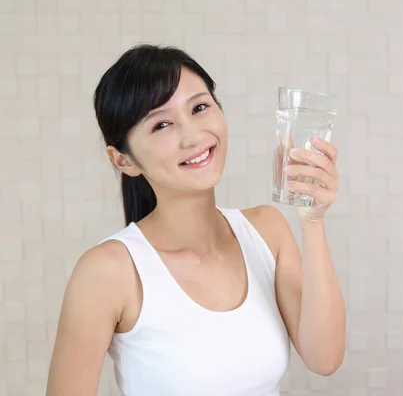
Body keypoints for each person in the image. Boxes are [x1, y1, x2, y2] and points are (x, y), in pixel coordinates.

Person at [46, 44, 346, 396]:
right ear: (123, 160)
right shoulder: (107, 272)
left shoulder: (267, 231)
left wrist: (312, 219)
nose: (193, 136)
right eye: (161, 124)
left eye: (200, 107)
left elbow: (324, 358)